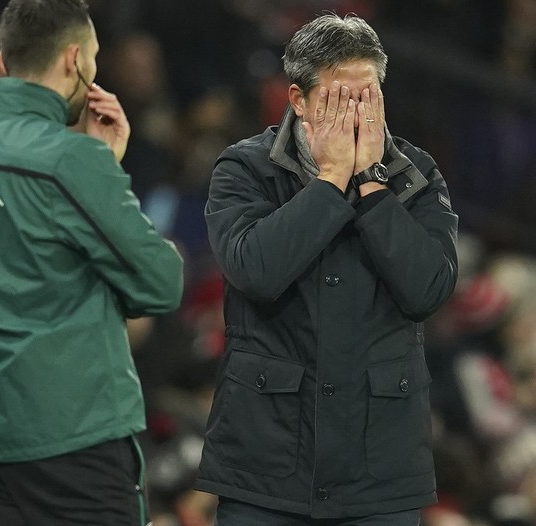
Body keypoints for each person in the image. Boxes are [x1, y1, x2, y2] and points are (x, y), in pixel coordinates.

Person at [196, 13, 459, 526]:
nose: (355, 116)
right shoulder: (245, 169)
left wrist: (372, 185)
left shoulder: (416, 175)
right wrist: (333, 178)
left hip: (379, 477)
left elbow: (429, 288)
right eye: (338, 100)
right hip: (265, 471)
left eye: (367, 99)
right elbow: (256, 270)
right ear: (297, 100)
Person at [0, 0, 184, 524]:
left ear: (5, 62)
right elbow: (159, 284)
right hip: (75, 435)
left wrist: (99, 171)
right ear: (74, 60)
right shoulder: (70, 160)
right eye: (93, 58)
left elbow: (24, 261)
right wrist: (105, 172)